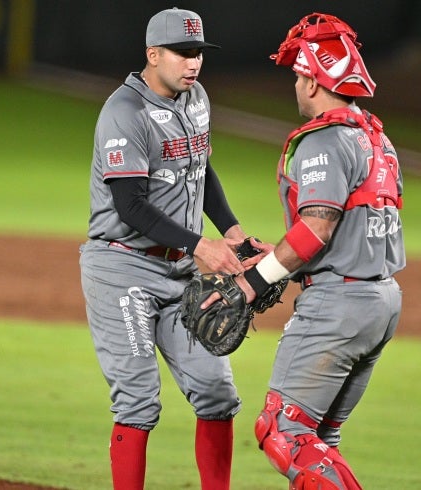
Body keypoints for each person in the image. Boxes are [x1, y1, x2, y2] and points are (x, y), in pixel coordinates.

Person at [203, 12, 406, 490]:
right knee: (319, 441)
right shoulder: (376, 136)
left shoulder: (325, 140)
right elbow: (347, 230)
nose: (295, 83)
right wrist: (274, 254)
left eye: (298, 73)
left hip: (338, 306)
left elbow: (317, 229)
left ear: (315, 80)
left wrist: (252, 282)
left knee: (283, 431)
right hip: (379, 302)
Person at [79, 7, 251, 490]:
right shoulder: (124, 112)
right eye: (181, 53)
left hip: (180, 271)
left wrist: (231, 230)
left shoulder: (196, 99)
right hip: (123, 268)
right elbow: (129, 205)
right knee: (138, 399)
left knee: (217, 391)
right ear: (153, 54)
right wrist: (202, 245)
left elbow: (200, 169)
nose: (192, 63)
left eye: (198, 52)